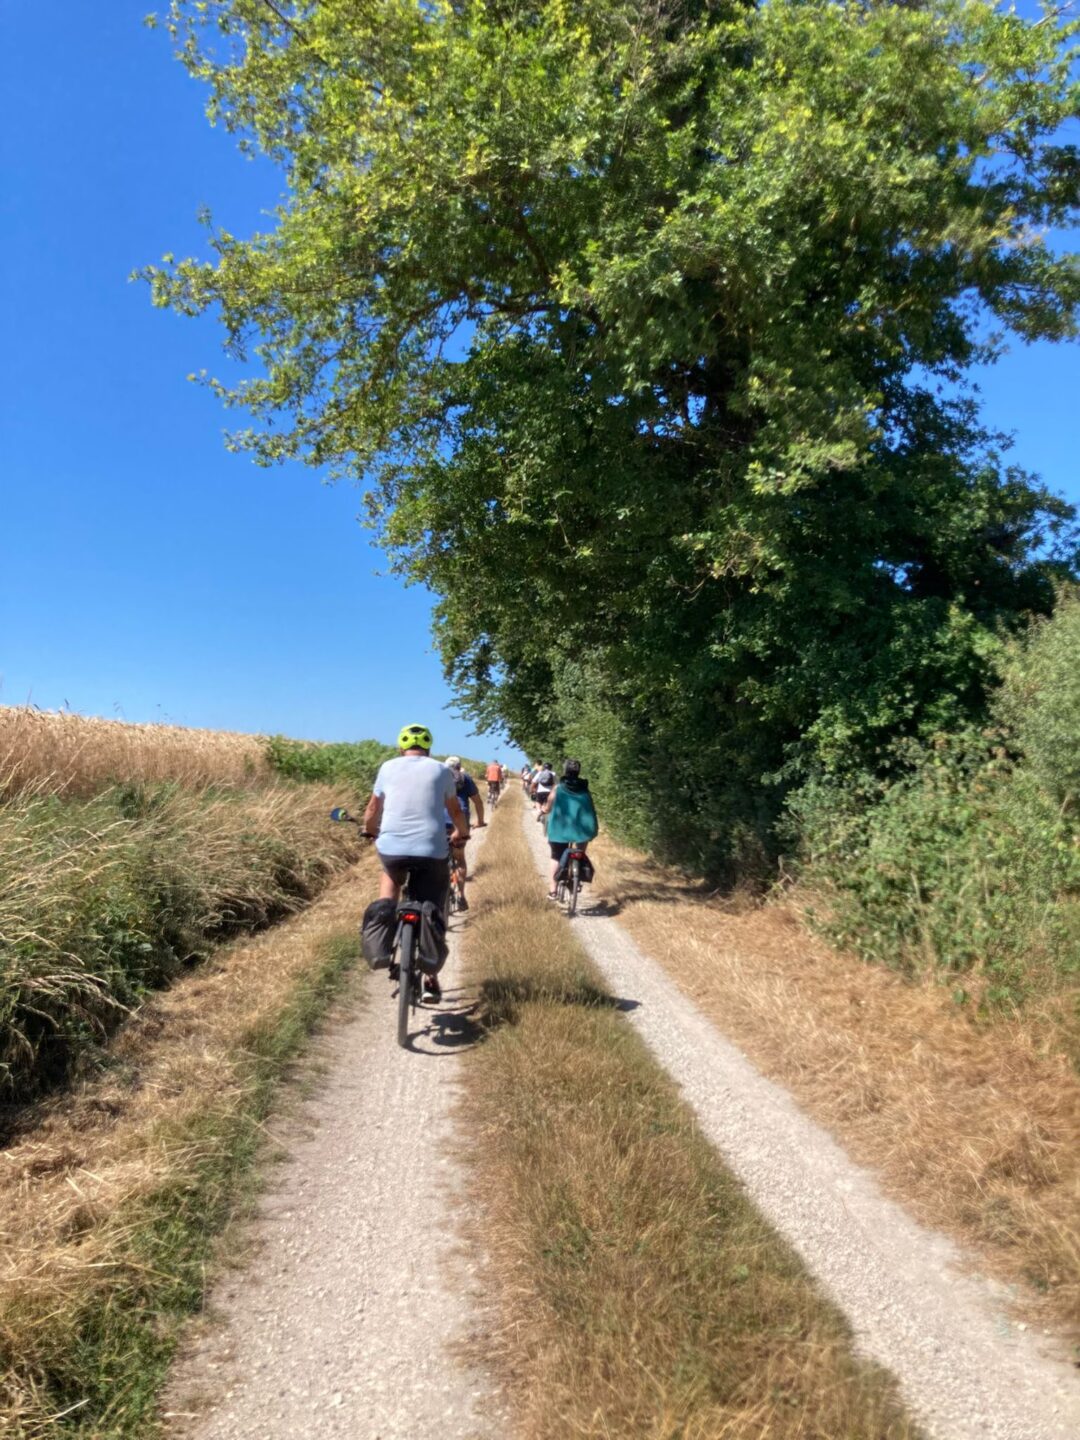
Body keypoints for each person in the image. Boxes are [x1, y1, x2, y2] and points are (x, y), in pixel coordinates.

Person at [363, 724, 468, 1003]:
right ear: (429, 748)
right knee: (433, 902)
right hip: (431, 849)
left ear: (401, 747)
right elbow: (454, 810)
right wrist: (461, 832)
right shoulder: (441, 771)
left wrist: (370, 829)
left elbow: (373, 808)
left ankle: (383, 937)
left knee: (390, 877)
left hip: (393, 848)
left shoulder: (387, 767)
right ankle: (431, 977)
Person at [542, 759, 599, 899]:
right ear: (578, 772)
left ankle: (553, 890)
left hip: (560, 829)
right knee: (579, 852)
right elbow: (590, 808)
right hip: (582, 829)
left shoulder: (558, 788)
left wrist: (544, 809)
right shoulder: (585, 789)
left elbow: (548, 806)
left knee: (556, 857)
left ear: (565, 771)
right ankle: (576, 876)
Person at [444, 756, 485, 910]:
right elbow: (478, 802)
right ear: (459, 766)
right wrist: (480, 821)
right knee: (459, 859)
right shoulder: (465, 778)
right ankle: (461, 896)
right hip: (460, 823)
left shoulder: (440, 777)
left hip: (440, 822)